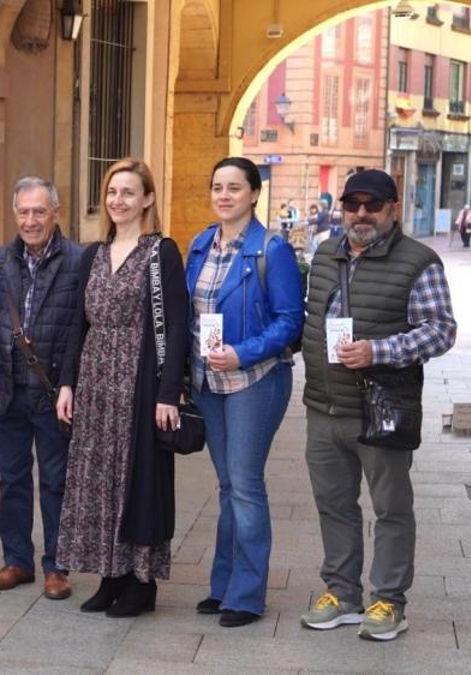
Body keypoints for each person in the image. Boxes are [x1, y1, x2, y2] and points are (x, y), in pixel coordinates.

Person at [299, 169, 456, 641]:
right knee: (334, 505)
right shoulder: (327, 253)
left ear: (392, 210)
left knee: (391, 508)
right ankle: (343, 594)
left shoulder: (418, 261)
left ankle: (388, 600)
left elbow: (440, 330)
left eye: (373, 204)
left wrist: (377, 351)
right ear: (342, 209)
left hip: (381, 408)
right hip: (323, 405)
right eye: (353, 204)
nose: (361, 213)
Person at [54, 158, 187, 617]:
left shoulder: (161, 253)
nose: (118, 200)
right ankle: (110, 575)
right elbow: (78, 325)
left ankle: (140, 582)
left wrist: (169, 393)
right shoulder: (92, 254)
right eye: (112, 192)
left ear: (147, 199)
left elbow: (176, 324)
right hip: (95, 381)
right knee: (98, 481)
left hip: (138, 382)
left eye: (129, 192)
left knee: (137, 481)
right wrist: (67, 383)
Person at [185, 157, 304, 628]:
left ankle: (247, 595)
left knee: (246, 484)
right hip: (209, 382)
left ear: (254, 194)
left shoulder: (270, 249)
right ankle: (223, 586)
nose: (224, 195)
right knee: (229, 485)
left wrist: (242, 352)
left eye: (235, 187)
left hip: (256, 379)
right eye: (217, 186)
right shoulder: (198, 244)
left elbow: (290, 321)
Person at [0, 177, 82, 600]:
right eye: (23, 212)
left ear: (55, 212)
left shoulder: (79, 260)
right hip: (7, 390)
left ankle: (56, 567)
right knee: (12, 479)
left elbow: (82, 326)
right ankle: (17, 560)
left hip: (52, 391)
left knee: (56, 480)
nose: (30, 220)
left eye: (39, 211)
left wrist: (71, 383)